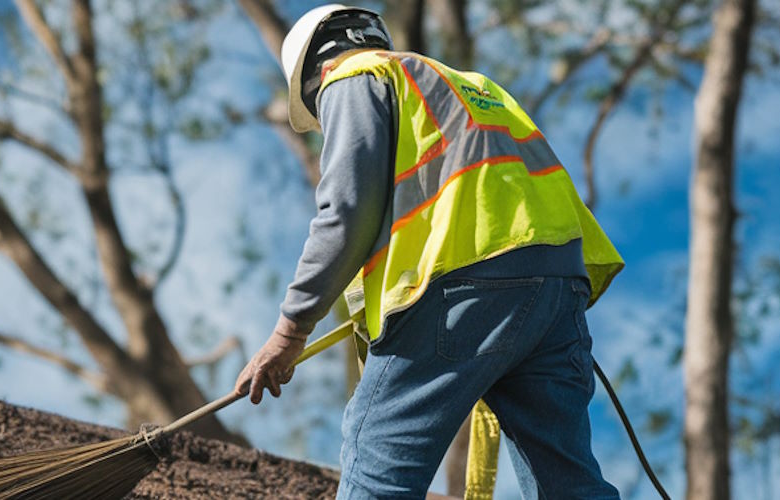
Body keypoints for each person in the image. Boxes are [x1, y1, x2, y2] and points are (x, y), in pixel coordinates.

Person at [234, 4, 625, 498]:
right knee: (568, 482)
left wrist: (290, 330)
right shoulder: (477, 89)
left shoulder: (355, 76)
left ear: (318, 72)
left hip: (460, 284)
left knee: (377, 467)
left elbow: (346, 212)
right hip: (557, 285)